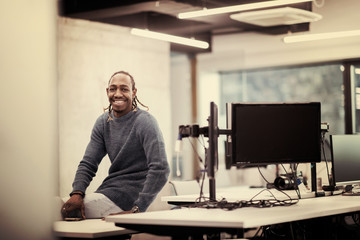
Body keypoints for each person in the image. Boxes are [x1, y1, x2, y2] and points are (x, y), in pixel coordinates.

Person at [61, 71, 170, 219]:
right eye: (113, 89)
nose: (118, 94)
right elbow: (88, 163)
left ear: (134, 92)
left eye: (124, 89)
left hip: (129, 199)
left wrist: (138, 208)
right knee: (57, 205)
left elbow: (160, 168)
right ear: (107, 91)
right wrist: (77, 193)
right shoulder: (103, 122)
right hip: (107, 191)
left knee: (56, 213)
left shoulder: (145, 122)